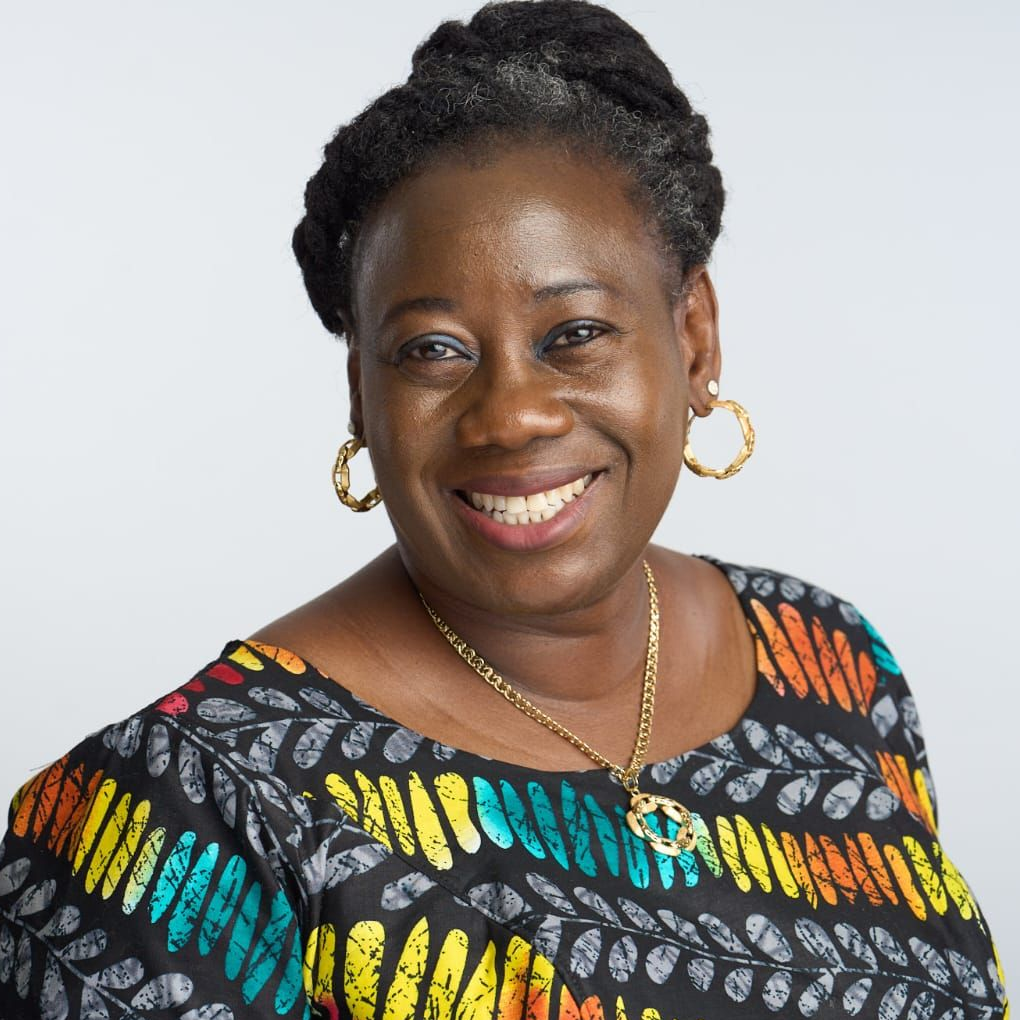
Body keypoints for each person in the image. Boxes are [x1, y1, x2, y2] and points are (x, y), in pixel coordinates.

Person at [0, 1, 1008, 1017]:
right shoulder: (185, 808)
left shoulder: (829, 660)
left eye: (576, 333)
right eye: (432, 350)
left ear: (694, 337)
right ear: (361, 395)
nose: (513, 416)